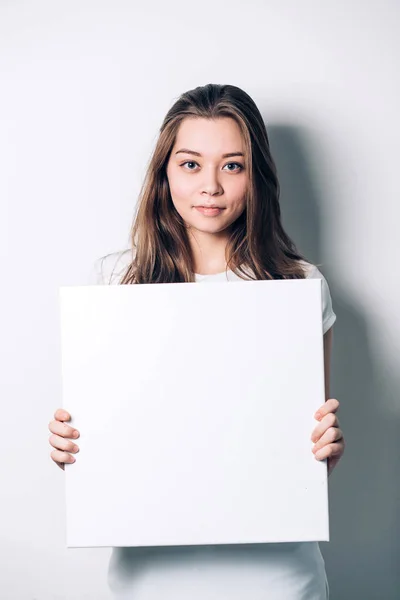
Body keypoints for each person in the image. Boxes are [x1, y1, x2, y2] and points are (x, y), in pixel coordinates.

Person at [48, 83, 345, 599]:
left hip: (278, 578)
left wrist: (323, 450)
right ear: (164, 173)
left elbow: (306, 439)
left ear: (257, 178)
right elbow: (108, 434)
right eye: (190, 164)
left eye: (232, 165)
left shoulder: (299, 285)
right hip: (151, 576)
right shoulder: (116, 281)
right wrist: (72, 449)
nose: (209, 185)